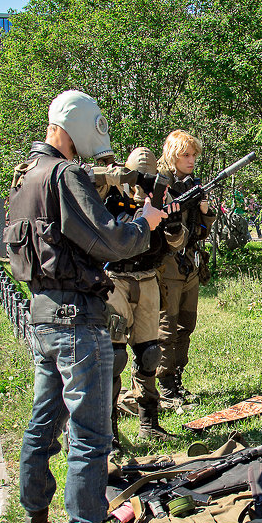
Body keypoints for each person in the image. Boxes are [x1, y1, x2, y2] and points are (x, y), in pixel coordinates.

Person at [5, 89, 167, 523]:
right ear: (75, 127)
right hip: (79, 321)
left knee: (41, 426)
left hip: (44, 316)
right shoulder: (64, 175)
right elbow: (112, 242)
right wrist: (147, 219)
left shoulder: (24, 177)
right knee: (90, 439)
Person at [106, 146, 184, 446]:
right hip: (115, 279)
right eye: (139, 178)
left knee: (149, 352)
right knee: (114, 357)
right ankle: (109, 429)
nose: (143, 185)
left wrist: (173, 224)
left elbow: (177, 243)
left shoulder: (164, 198)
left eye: (148, 179)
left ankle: (149, 420)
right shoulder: (112, 200)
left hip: (149, 277)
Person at [155, 130, 214, 404]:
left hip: (189, 264)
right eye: (185, 155)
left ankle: (177, 379)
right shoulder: (160, 185)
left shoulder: (193, 185)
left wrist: (204, 212)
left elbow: (200, 233)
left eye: (193, 156)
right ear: (172, 156)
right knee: (166, 328)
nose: (191, 160)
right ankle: (164, 385)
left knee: (185, 326)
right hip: (167, 265)